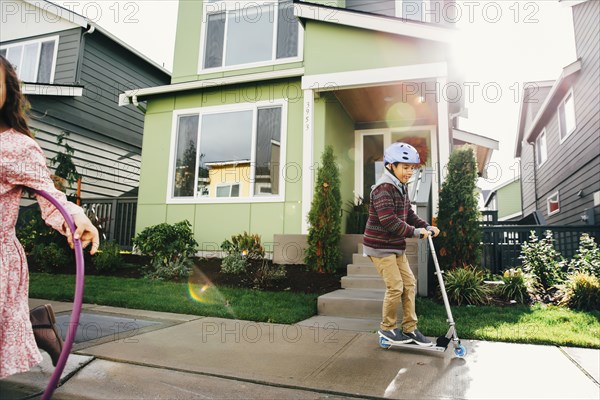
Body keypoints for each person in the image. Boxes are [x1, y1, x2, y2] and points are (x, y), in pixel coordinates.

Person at [0, 55, 99, 378]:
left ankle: (37, 325)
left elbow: (50, 195)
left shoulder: (16, 146)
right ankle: (39, 324)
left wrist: (74, 217)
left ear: (7, 91)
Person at [363, 142, 440, 346]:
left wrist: (426, 226)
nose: (409, 172)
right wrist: (415, 232)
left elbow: (409, 214)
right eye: (405, 167)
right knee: (396, 286)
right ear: (391, 166)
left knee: (409, 284)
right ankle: (387, 329)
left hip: (395, 246)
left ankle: (410, 329)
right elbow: (388, 221)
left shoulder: (401, 187)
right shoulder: (383, 189)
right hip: (379, 247)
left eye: (412, 168)